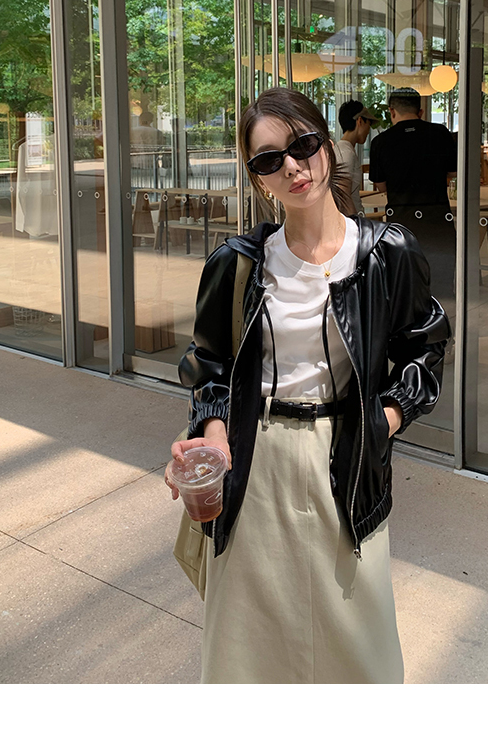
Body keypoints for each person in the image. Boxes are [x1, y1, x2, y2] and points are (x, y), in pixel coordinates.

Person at [165, 86, 449, 683]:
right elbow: (210, 365)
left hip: (347, 457)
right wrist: (213, 437)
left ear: (326, 144)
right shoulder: (238, 263)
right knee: (250, 651)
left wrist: (385, 420)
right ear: (258, 177)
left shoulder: (385, 254)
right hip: (254, 460)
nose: (292, 167)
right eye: (270, 159)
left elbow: (424, 349)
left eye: (302, 145)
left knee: (359, 647)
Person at [369, 87, 457, 312]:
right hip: (438, 220)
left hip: (401, 226)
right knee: (442, 289)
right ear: (421, 111)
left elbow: (381, 185)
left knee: (403, 289)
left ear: (392, 111)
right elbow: (453, 173)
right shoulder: (440, 134)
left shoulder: (381, 142)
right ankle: (443, 331)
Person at [334, 99, 378, 216]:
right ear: (360, 121)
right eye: (368, 124)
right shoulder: (346, 152)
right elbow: (343, 194)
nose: (368, 131)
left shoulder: (344, 149)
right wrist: (355, 223)